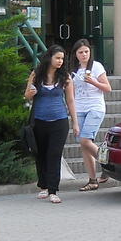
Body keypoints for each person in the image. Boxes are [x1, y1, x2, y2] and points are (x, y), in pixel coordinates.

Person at [25, 45, 77, 204]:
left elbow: (70, 100)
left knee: (54, 154)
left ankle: (53, 190)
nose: (60, 61)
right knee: (40, 154)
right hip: (39, 121)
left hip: (59, 121)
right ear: (49, 58)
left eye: (62, 58)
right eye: (57, 58)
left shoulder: (66, 77)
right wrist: (30, 94)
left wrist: (75, 122)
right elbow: (26, 95)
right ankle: (44, 186)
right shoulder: (36, 74)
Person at [69, 39, 112, 192]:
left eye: (86, 52)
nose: (84, 55)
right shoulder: (73, 71)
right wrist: (73, 118)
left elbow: (108, 88)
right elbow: (71, 96)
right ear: (75, 54)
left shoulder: (96, 66)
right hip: (80, 108)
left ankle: (107, 164)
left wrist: (93, 81)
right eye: (80, 52)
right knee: (84, 144)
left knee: (86, 140)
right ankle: (93, 180)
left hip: (95, 107)